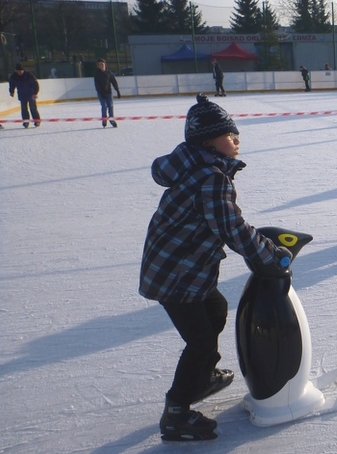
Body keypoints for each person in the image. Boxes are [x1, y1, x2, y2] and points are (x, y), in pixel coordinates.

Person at [139, 93, 293, 442]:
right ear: (208, 141)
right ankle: (176, 413)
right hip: (177, 274)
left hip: (178, 266)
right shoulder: (211, 176)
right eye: (229, 135)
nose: (236, 140)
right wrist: (271, 256)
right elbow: (232, 229)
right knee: (201, 343)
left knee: (217, 307)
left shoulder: (197, 167)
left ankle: (203, 377)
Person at [8, 63, 41, 128]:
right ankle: (26, 122)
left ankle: (37, 121)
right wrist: (11, 91)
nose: (19, 72)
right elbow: (12, 84)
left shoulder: (29, 75)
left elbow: (35, 84)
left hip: (31, 94)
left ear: (23, 70)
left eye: (20, 71)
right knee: (24, 109)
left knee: (33, 108)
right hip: (22, 94)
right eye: (18, 71)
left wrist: (35, 93)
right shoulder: (14, 76)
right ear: (15, 71)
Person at [93, 59, 121, 128]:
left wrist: (117, 90)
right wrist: (101, 93)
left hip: (108, 93)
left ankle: (112, 120)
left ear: (105, 64)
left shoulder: (109, 73)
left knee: (110, 106)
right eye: (99, 65)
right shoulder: (97, 74)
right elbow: (97, 85)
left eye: (102, 64)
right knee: (104, 106)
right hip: (101, 93)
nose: (101, 66)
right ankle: (104, 120)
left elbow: (114, 82)